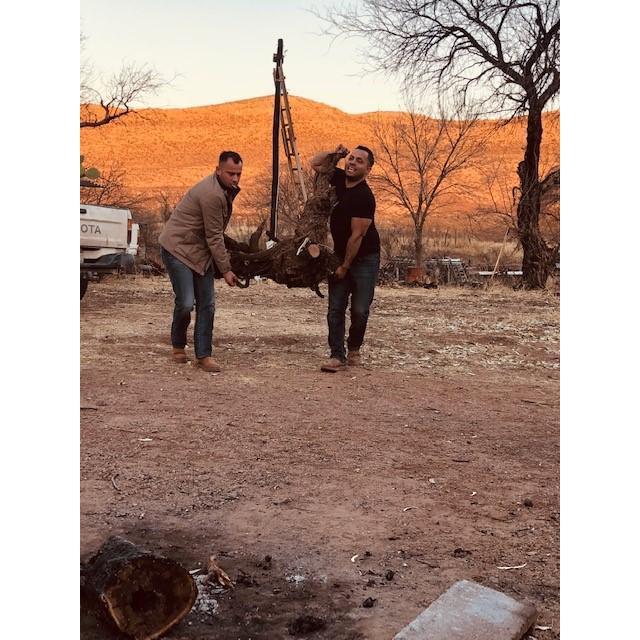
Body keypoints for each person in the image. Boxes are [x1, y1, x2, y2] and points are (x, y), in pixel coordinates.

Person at [158, 151, 242, 372]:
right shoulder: (212, 194)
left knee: (207, 304)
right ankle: (178, 346)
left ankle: (203, 355)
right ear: (218, 170)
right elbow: (214, 236)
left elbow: (213, 234)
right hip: (178, 249)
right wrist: (226, 270)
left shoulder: (224, 190)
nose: (235, 179)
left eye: (239, 174)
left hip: (200, 252)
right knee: (186, 302)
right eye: (231, 173)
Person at [310, 144, 381, 372]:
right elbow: (316, 164)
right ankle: (336, 355)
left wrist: (344, 266)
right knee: (335, 308)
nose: (352, 163)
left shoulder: (365, 197)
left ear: (368, 169)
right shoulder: (339, 179)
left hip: (364, 258)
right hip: (340, 254)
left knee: (360, 309)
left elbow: (357, 236)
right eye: (351, 158)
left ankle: (354, 349)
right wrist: (335, 154)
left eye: (359, 161)